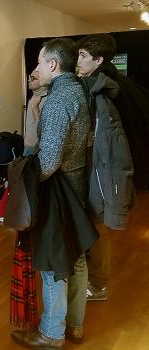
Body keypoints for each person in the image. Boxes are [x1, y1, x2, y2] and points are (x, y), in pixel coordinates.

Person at [11, 38, 91, 349]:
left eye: (39, 63)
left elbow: (49, 159)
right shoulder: (78, 90)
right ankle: (75, 325)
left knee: (54, 262)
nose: (36, 69)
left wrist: (23, 184)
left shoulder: (58, 99)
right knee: (76, 256)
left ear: (53, 65)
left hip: (60, 191)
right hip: (76, 183)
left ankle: (51, 333)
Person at [76, 33, 136, 303]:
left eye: (83, 56)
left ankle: (98, 285)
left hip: (97, 176)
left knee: (97, 230)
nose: (77, 61)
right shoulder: (96, 89)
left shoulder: (101, 95)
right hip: (90, 173)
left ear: (98, 60)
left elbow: (110, 148)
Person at [23, 70, 47, 155]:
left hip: (37, 148)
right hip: (28, 145)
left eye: (33, 78)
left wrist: (35, 108)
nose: (29, 80)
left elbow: (44, 129)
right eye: (29, 77)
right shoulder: (34, 96)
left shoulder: (46, 100)